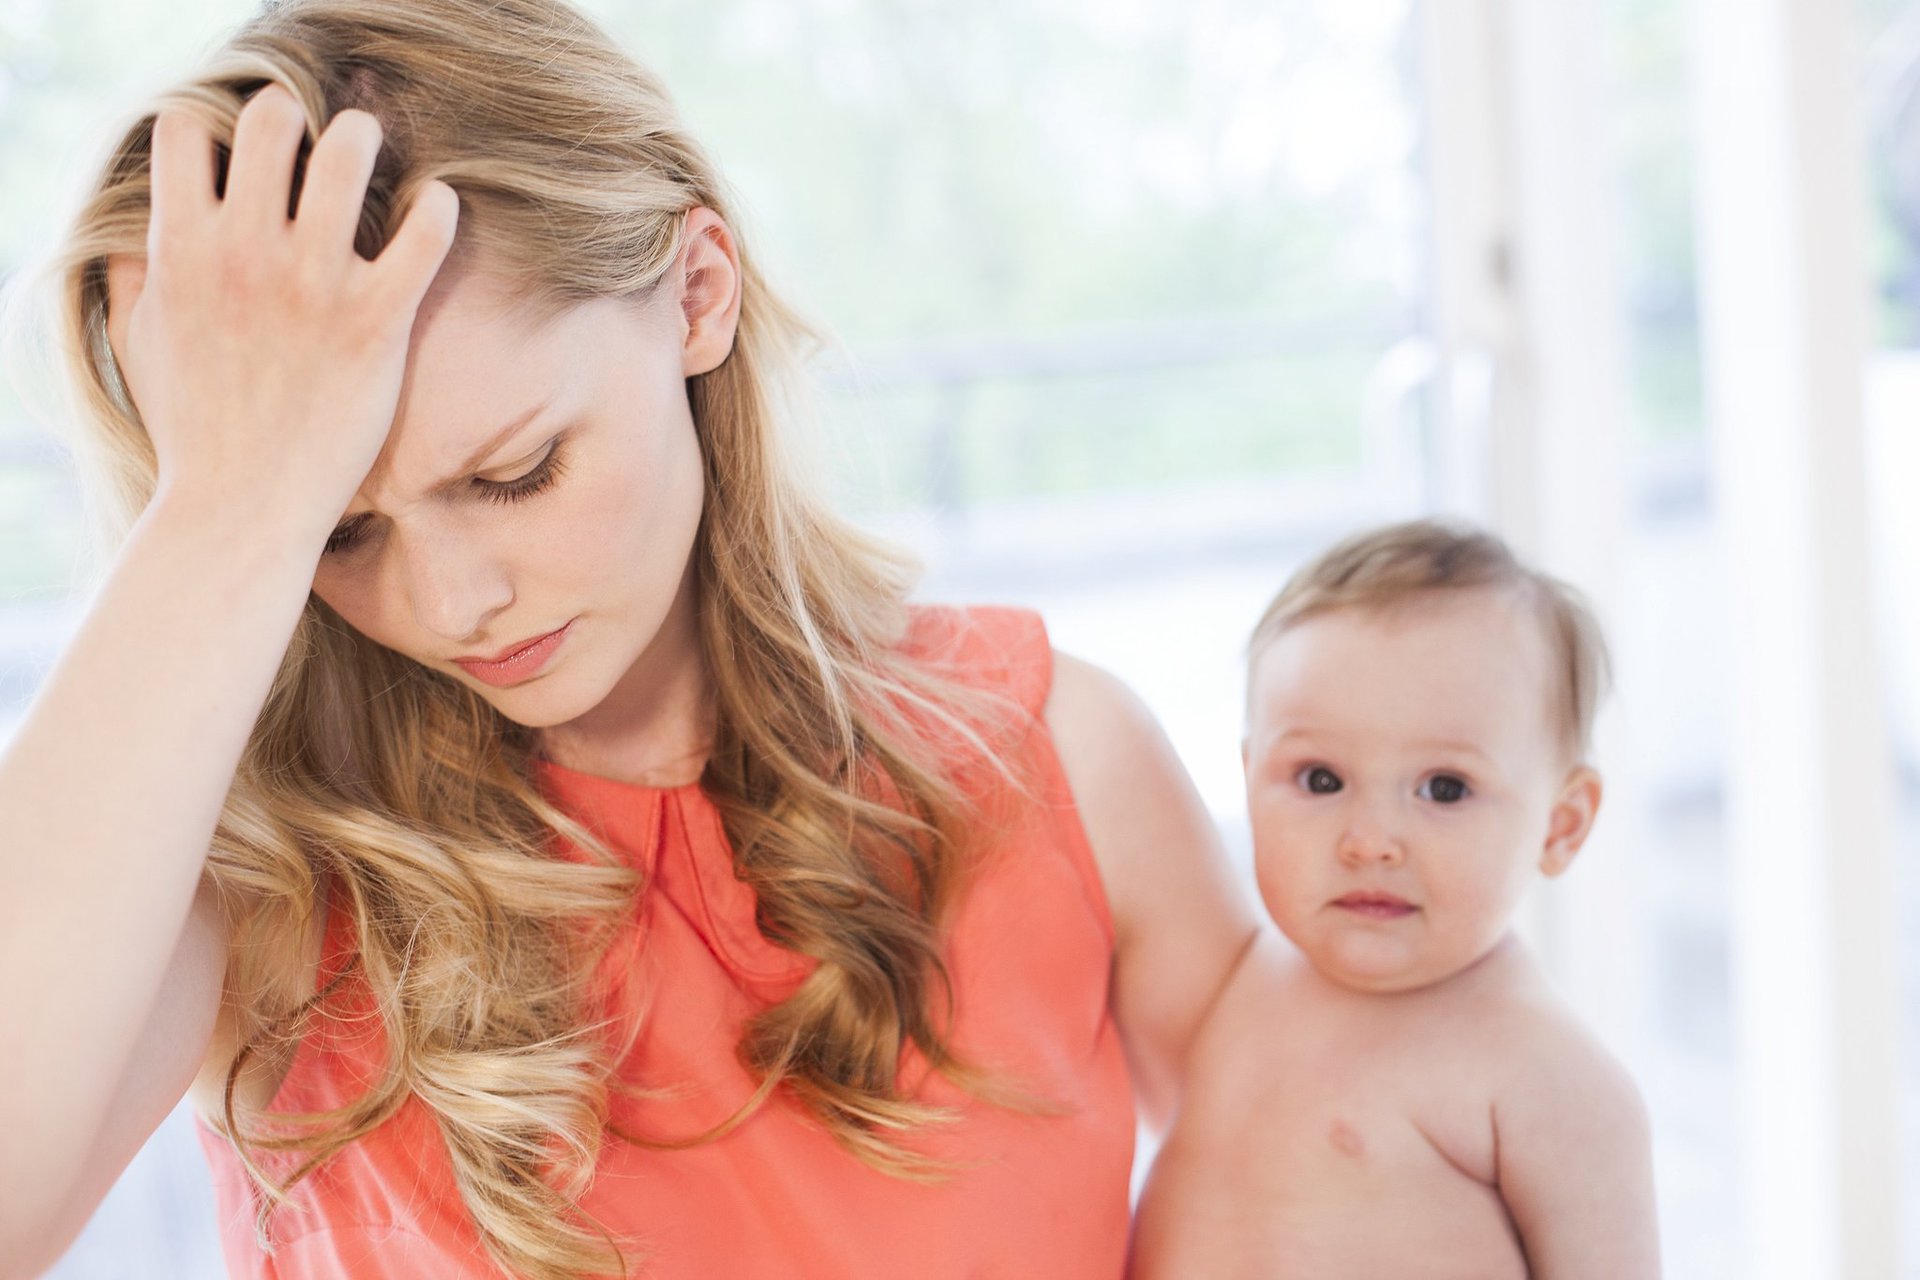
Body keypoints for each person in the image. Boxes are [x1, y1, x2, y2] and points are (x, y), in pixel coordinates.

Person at [0, 2, 1258, 1276]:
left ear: (696, 294)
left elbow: (1341, 1171)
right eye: (338, 533)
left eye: (517, 471)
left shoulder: (1058, 757)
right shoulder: (251, 878)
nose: (450, 605)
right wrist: (226, 506)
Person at [1130, 520, 1661, 1279]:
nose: (1371, 840)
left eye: (1445, 788)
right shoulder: (1231, 981)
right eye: (1320, 779)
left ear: (1561, 824)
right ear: (1249, 782)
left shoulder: (1548, 1077)